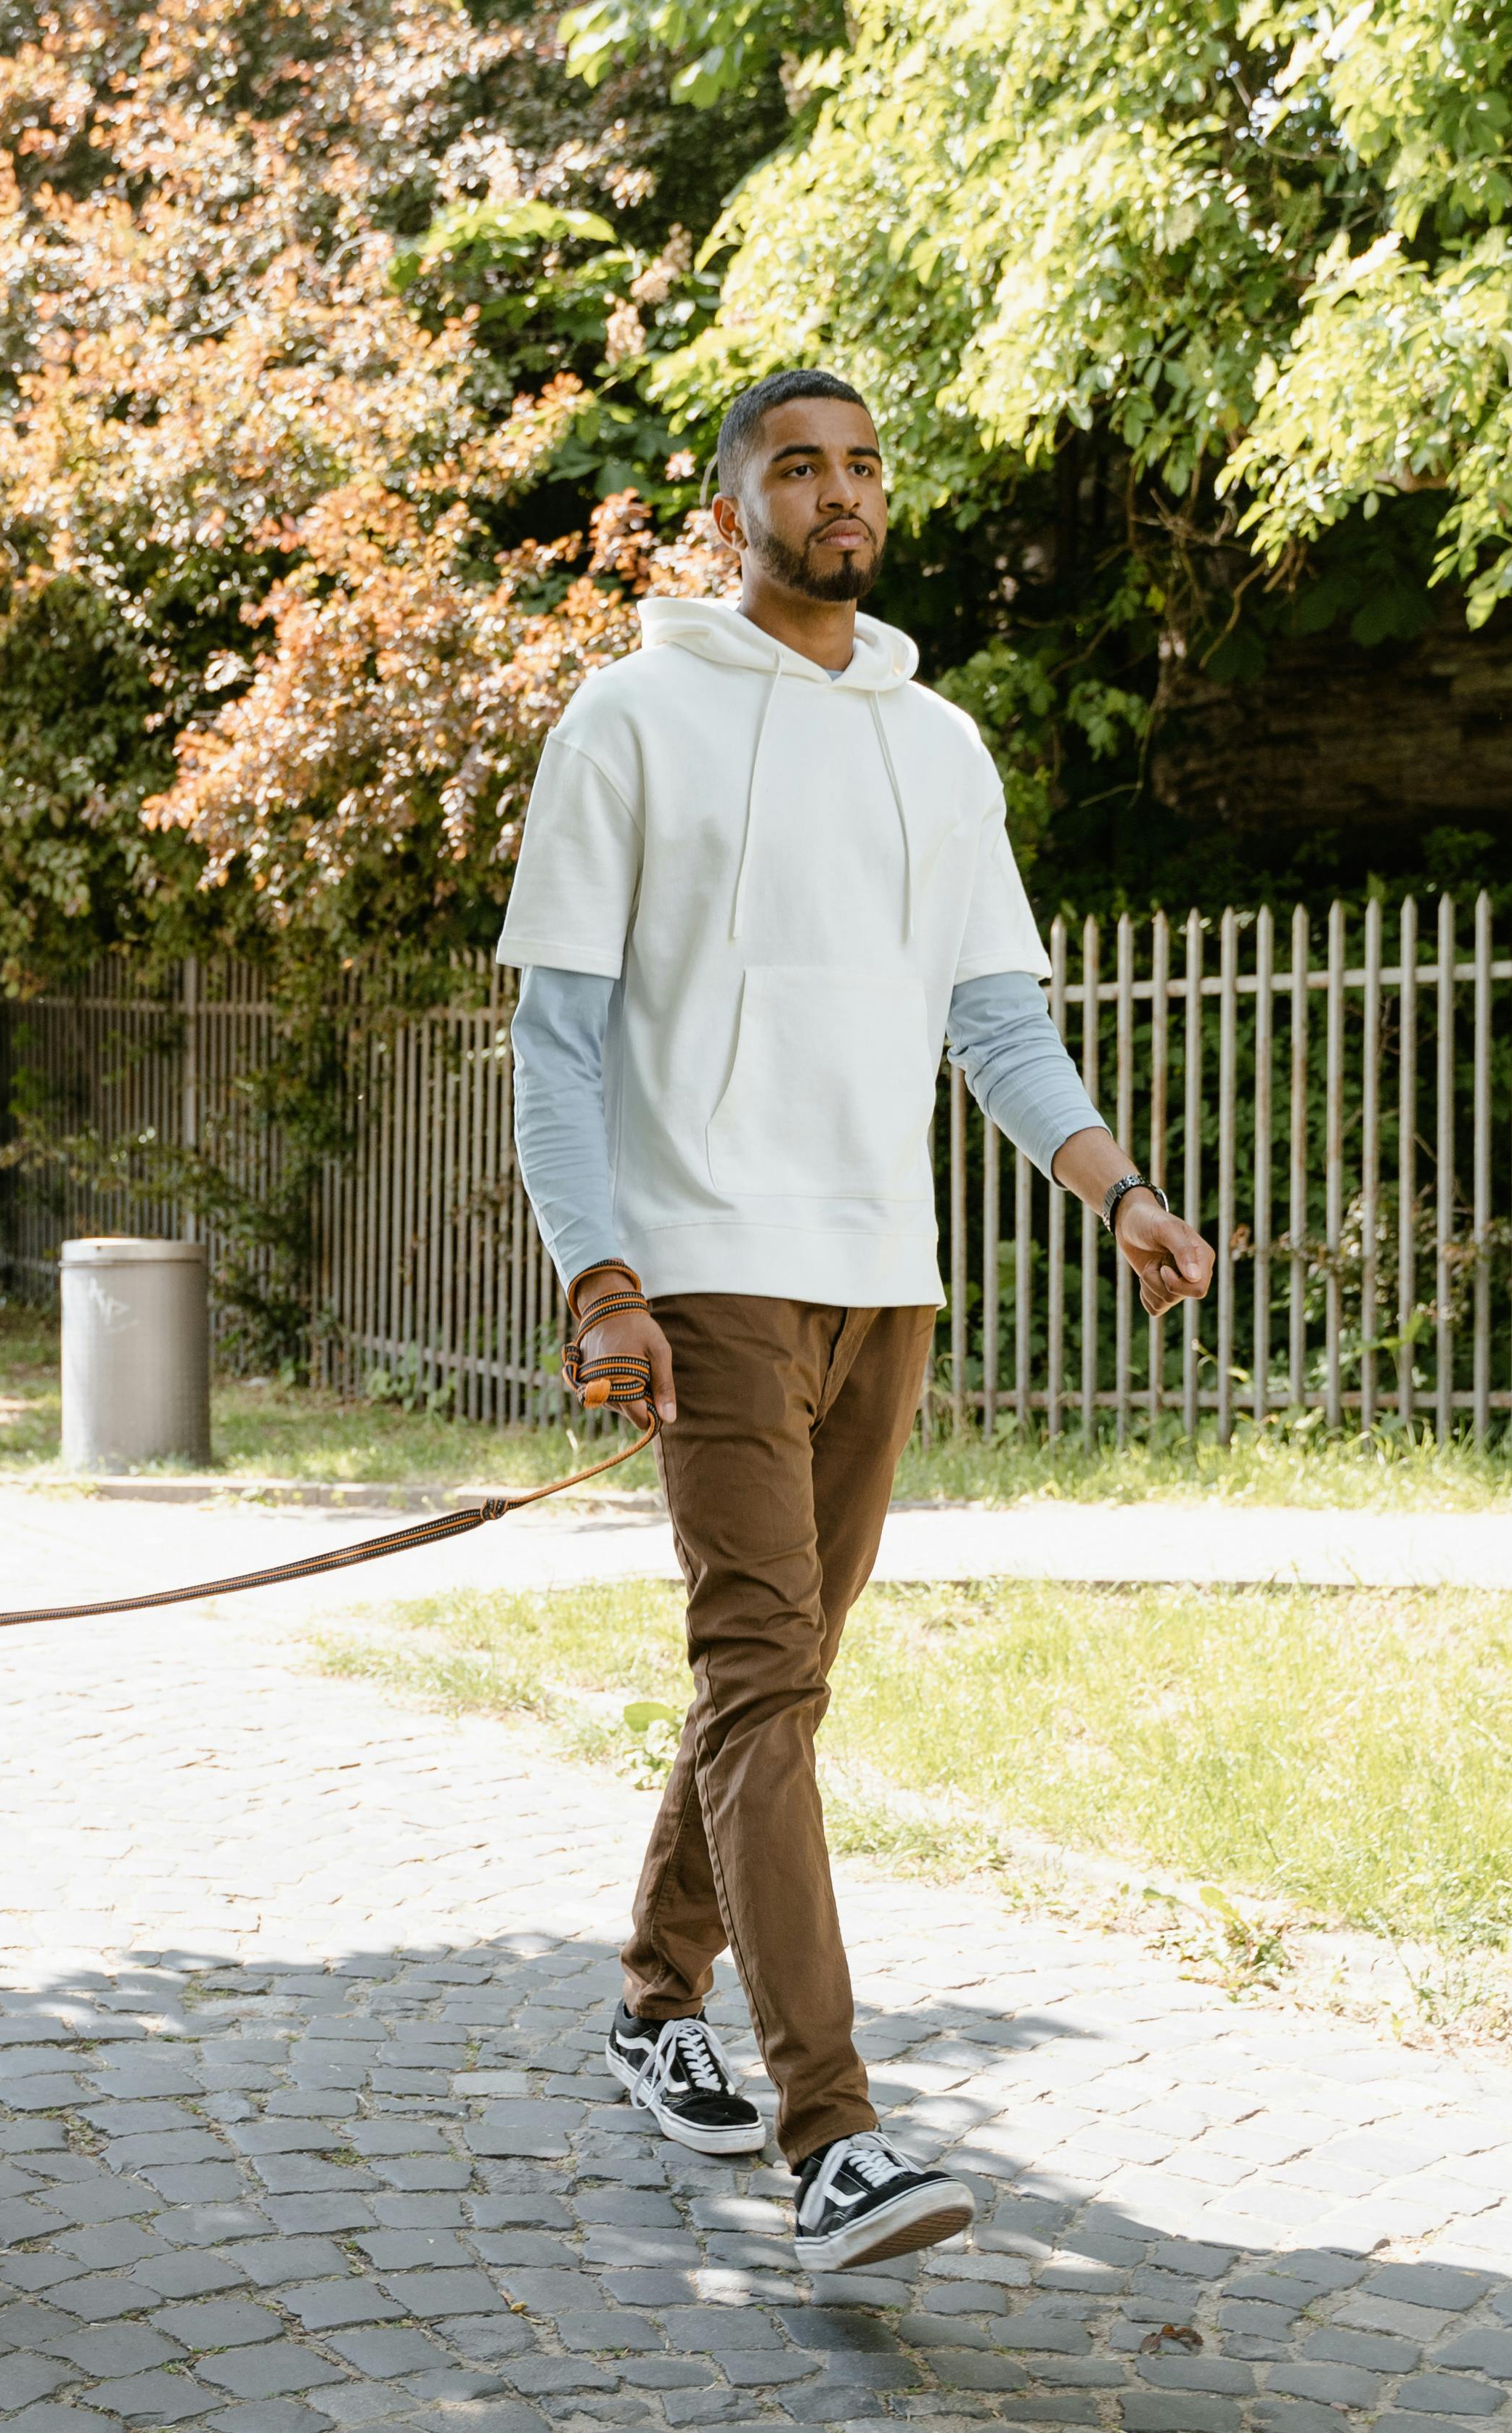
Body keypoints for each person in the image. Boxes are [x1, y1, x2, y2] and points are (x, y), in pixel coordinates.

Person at [497, 367, 1219, 2275]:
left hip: (881, 1279)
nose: (838, 492)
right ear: (727, 506)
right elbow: (555, 1040)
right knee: (759, 1668)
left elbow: (995, 1021)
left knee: (780, 1675)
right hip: (703, 1270)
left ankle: (657, 2000)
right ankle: (833, 2135)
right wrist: (601, 1275)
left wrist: (1116, 1189)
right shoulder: (630, 723)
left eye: (862, 466)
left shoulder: (935, 748)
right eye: (795, 466)